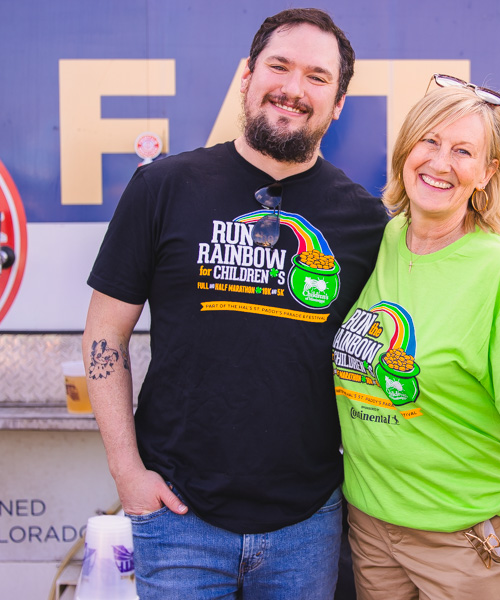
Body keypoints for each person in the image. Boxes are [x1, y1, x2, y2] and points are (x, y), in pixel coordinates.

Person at [82, 8, 387, 599]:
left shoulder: (364, 220)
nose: (294, 89)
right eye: (279, 66)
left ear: (339, 103)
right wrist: (128, 473)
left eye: (317, 78)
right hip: (177, 518)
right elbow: (103, 333)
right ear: (247, 74)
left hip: (307, 522)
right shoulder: (163, 188)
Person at [332, 76, 500, 600]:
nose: (440, 163)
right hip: (374, 531)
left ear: (488, 172)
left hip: (473, 545)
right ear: (406, 148)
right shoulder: (380, 240)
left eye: (463, 151)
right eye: (429, 141)